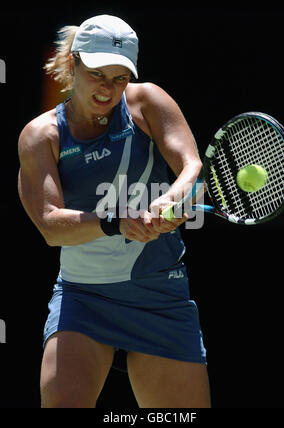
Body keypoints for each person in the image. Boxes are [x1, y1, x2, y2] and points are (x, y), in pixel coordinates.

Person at [18, 14, 211, 408]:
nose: (108, 89)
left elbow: (190, 166)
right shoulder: (41, 136)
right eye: (97, 74)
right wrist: (116, 223)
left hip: (160, 295)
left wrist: (170, 199)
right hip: (82, 297)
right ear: (73, 65)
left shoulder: (147, 102)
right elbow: (51, 226)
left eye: (119, 77)